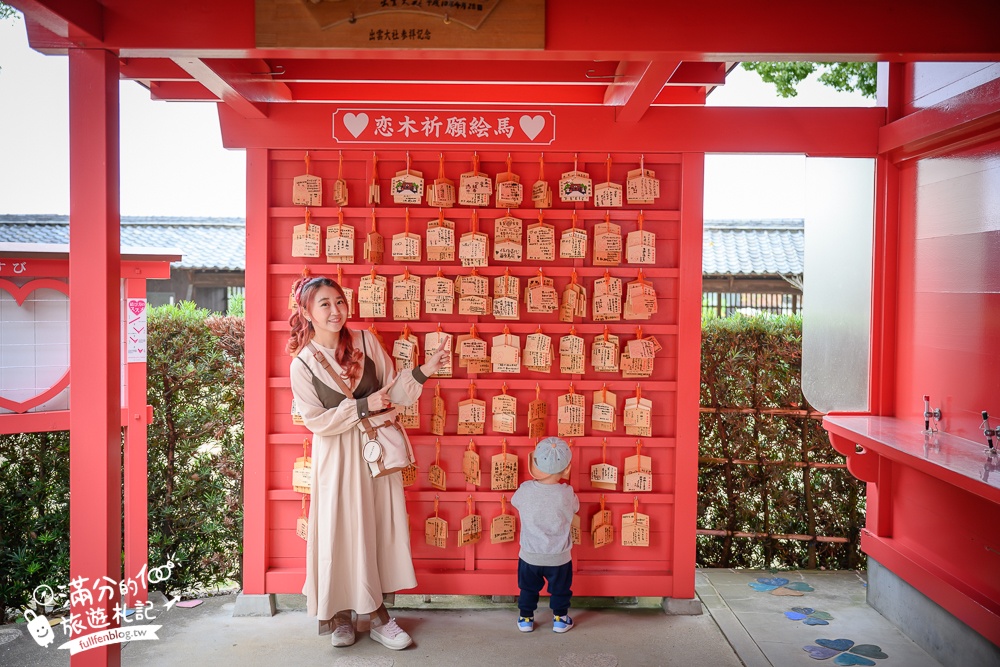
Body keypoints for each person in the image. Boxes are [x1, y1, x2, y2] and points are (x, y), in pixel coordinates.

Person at [287, 274, 448, 651]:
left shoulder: (365, 341)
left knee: (375, 527)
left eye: (339, 301)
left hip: (374, 455)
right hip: (337, 458)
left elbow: (392, 391)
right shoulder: (303, 363)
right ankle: (342, 614)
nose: (334, 310)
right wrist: (362, 405)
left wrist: (426, 370)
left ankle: (377, 614)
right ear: (306, 312)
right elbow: (315, 420)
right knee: (340, 530)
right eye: (324, 303)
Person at [510, 436, 580, 634]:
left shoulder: (525, 490)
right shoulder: (566, 493)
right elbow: (575, 507)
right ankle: (560, 619)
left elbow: (515, 502)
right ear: (567, 469)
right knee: (560, 590)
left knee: (528, 588)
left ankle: (525, 619)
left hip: (530, 554)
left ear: (535, 464)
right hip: (559, 556)